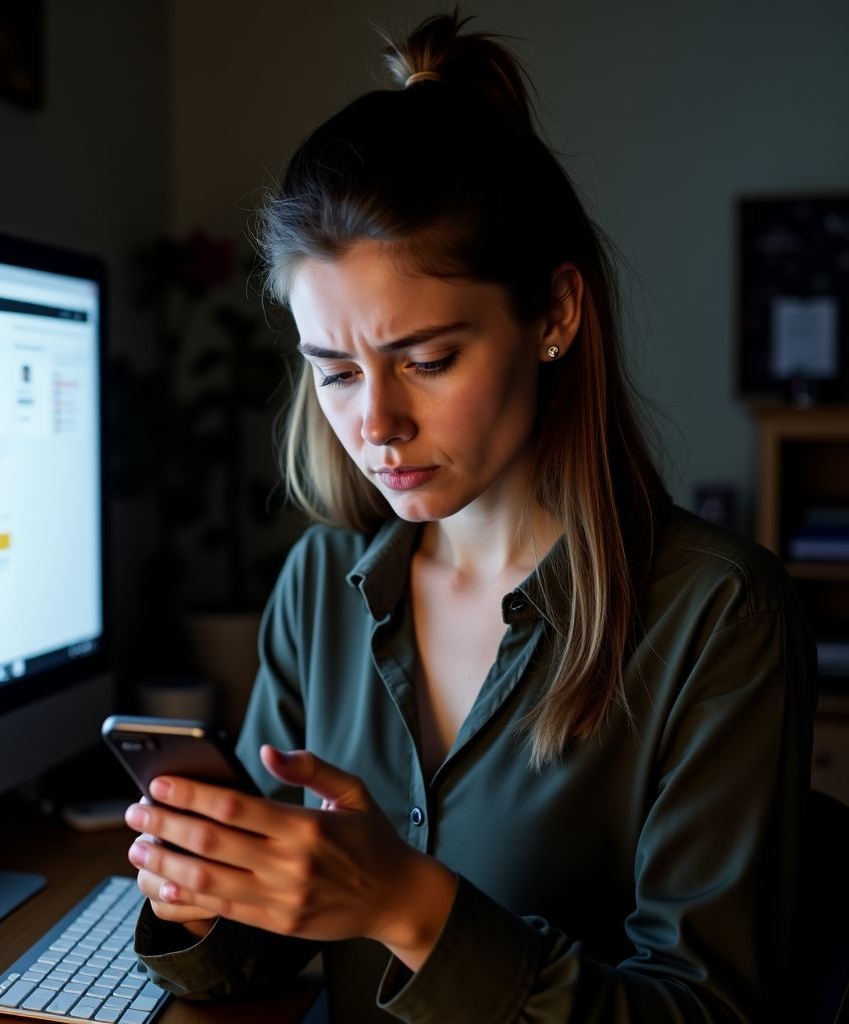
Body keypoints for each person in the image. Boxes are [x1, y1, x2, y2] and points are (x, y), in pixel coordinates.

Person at [124, 12, 816, 1022]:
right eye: (334, 372)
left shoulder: (719, 620)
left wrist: (411, 907)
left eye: (427, 359)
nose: (376, 425)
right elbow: (259, 962)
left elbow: (705, 1014)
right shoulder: (318, 590)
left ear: (554, 316)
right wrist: (201, 903)